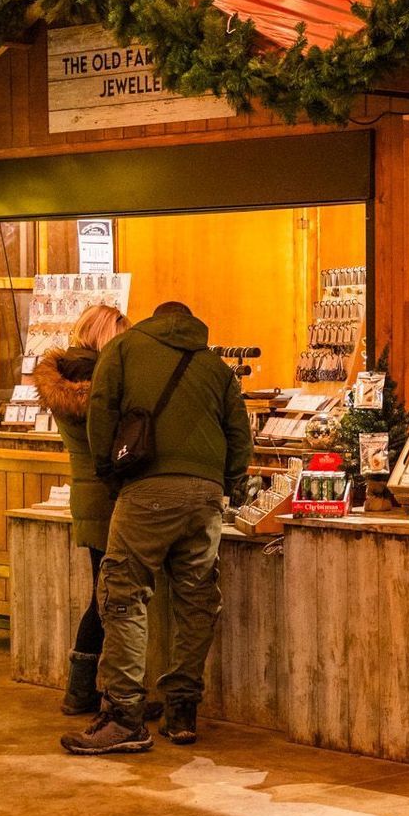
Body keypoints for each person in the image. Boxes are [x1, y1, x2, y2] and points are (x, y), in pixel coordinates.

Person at [62, 301, 251, 755]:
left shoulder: (123, 350)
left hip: (146, 491)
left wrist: (111, 473)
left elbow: (101, 414)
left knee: (123, 593)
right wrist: (228, 483)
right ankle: (182, 709)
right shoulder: (216, 366)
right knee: (196, 598)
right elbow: (239, 433)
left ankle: (125, 715)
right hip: (205, 495)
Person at [32, 304, 130, 717]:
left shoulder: (63, 382)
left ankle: (83, 689)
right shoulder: (104, 385)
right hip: (108, 497)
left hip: (87, 496)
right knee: (108, 597)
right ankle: (86, 690)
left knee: (102, 592)